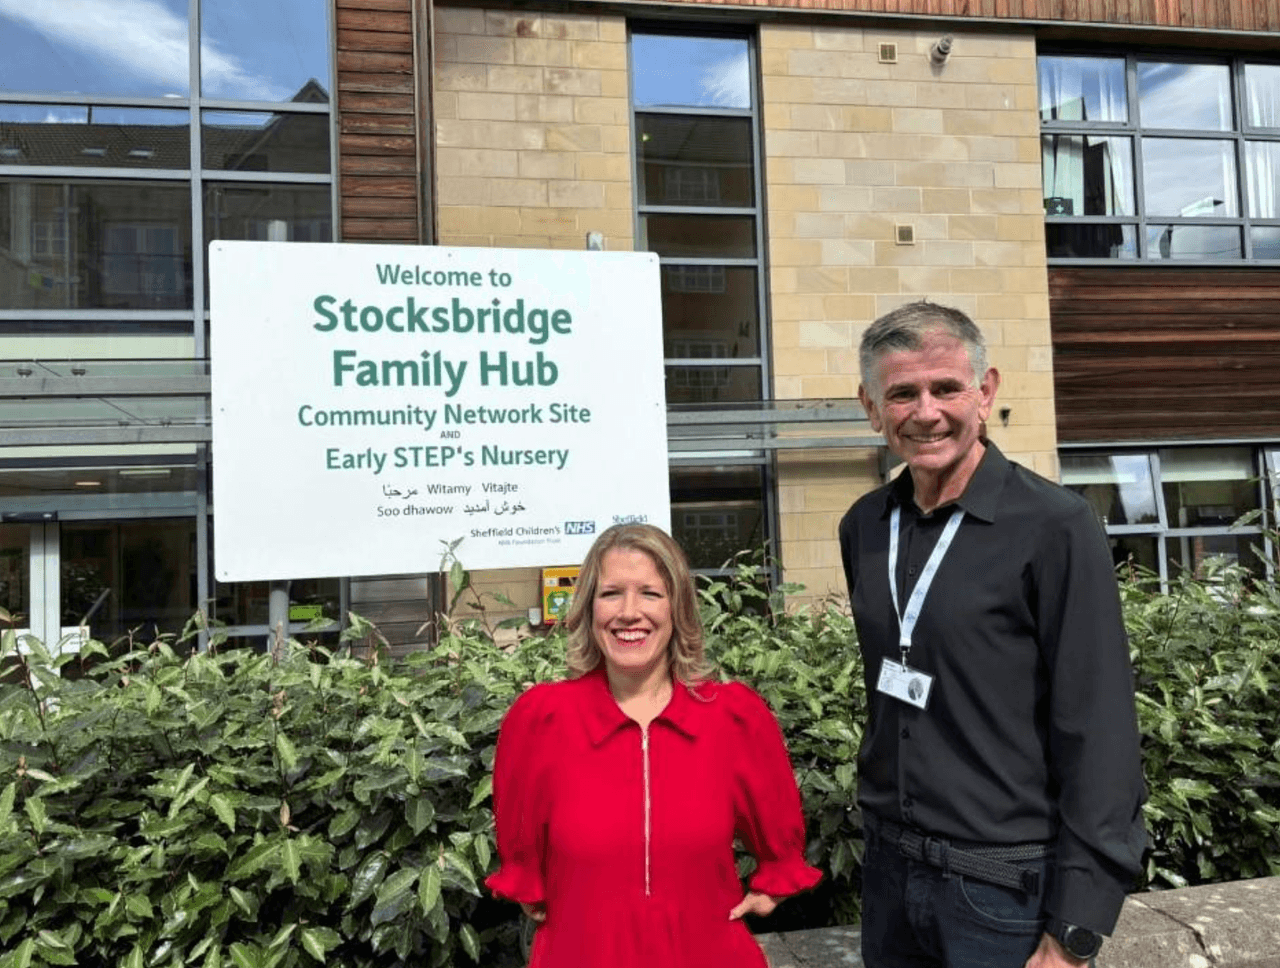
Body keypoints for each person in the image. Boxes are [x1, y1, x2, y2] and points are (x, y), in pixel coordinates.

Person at [838, 301, 1147, 968]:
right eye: (902, 393)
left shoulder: (1055, 527)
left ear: (987, 392)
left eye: (946, 387)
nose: (926, 412)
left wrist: (1075, 929)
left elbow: (1099, 733)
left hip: (1001, 891)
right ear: (870, 405)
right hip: (891, 879)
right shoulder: (864, 526)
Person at [486, 523, 821, 968]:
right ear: (587, 609)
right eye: (610, 594)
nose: (629, 612)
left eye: (650, 593)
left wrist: (771, 884)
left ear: (677, 608)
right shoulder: (543, 721)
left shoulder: (731, 718)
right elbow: (524, 864)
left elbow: (780, 846)